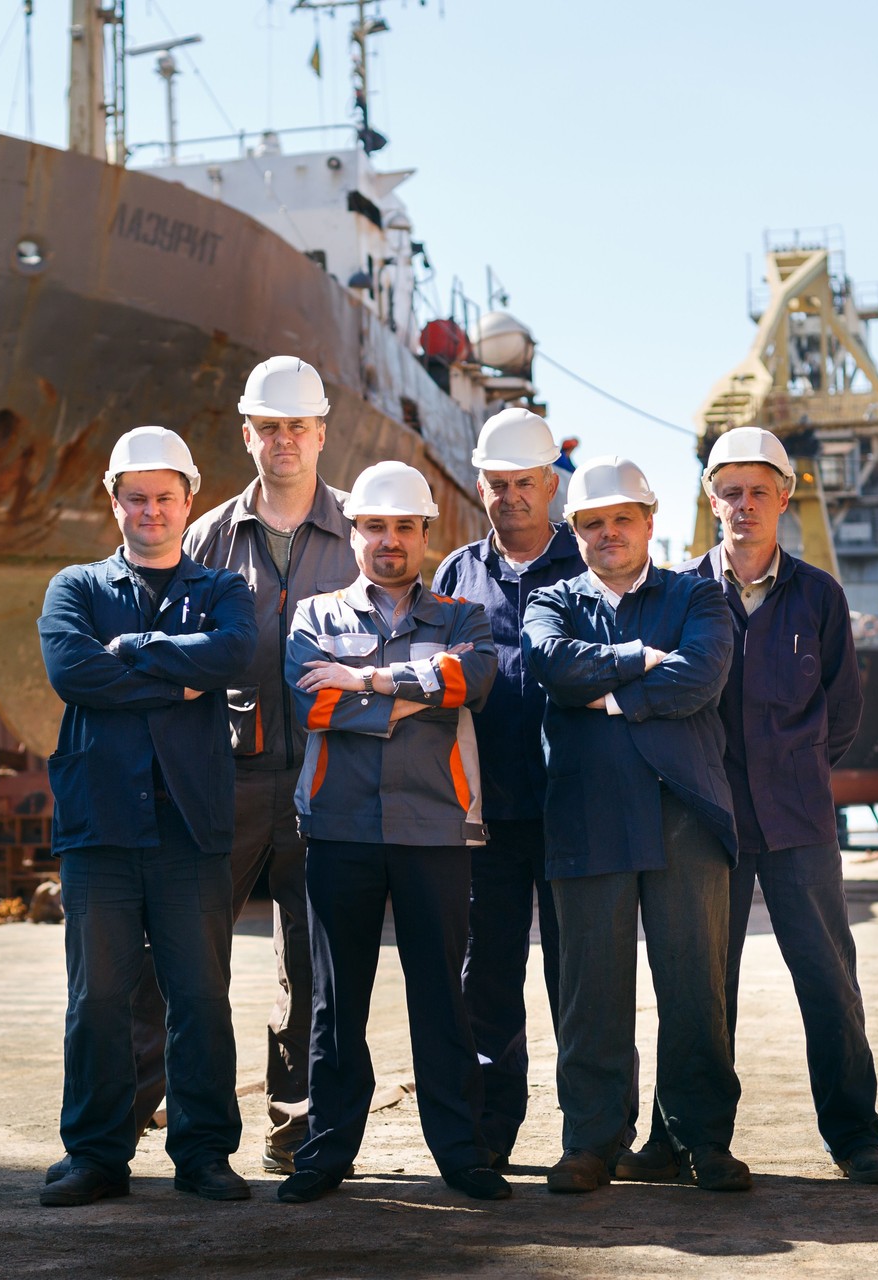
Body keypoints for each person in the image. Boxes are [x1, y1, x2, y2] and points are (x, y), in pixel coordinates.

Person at [644, 426, 878, 1187]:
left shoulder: (818, 596)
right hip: (710, 824)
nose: (745, 505)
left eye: (760, 491)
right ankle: (691, 1141)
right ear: (709, 499)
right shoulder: (681, 594)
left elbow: (842, 712)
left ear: (786, 497)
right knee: (700, 985)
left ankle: (856, 1139)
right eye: (731, 491)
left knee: (828, 980)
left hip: (798, 826)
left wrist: (797, 775)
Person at [36, 427, 258, 1207]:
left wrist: (129, 652)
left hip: (190, 830)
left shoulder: (226, 590)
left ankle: (203, 1154)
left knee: (199, 996)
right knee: (97, 998)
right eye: (137, 498)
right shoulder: (75, 588)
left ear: (189, 501)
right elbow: (72, 671)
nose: (151, 511)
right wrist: (177, 679)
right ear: (115, 501)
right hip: (100, 827)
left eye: (166, 497)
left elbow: (234, 656)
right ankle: (96, 1156)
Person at [277, 460, 507, 1204]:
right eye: (375, 527)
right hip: (339, 826)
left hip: (435, 827)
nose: (390, 541)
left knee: (440, 997)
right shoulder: (315, 616)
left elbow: (472, 682)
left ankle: (461, 1154)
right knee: (335, 1002)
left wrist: (367, 682)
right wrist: (417, 694)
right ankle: (326, 1151)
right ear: (355, 535)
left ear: (424, 536)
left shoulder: (462, 619)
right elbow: (311, 703)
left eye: (404, 527)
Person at [522, 455, 751, 1195]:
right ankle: (590, 1142)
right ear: (575, 530)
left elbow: (703, 675)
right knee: (592, 991)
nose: (609, 532)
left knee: (695, 990)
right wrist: (637, 659)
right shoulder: (551, 603)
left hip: (686, 809)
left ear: (651, 522)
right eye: (593, 522)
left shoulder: (699, 598)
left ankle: (702, 1143)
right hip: (588, 814)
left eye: (623, 518)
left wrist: (614, 699)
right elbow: (552, 665)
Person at [158, 354, 359, 1173]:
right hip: (229, 780)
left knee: (312, 969)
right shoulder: (206, 536)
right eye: (268, 428)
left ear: (321, 434)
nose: (283, 441)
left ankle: (296, 1128)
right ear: (247, 434)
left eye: (297, 429)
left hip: (327, 779)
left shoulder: (359, 530)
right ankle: (186, 1132)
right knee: (189, 956)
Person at [429, 408, 587, 1167]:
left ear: (553, 484)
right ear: (480, 484)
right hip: (484, 816)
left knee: (579, 977)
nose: (512, 496)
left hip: (572, 813)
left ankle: (592, 1134)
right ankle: (491, 1132)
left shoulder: (589, 566)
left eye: (526, 482)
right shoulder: (456, 577)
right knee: (486, 978)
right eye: (498, 484)